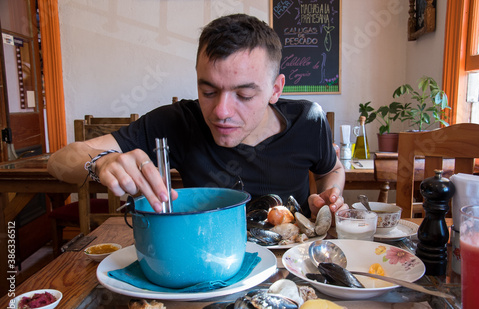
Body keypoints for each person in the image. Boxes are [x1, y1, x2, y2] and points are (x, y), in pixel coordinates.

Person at [48, 13, 346, 217]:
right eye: (209, 91)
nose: (221, 112)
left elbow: (329, 169)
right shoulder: (177, 122)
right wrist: (100, 162)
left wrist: (329, 196)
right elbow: (58, 162)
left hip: (289, 264)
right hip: (207, 262)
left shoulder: (309, 120)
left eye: (243, 95)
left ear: (275, 89)